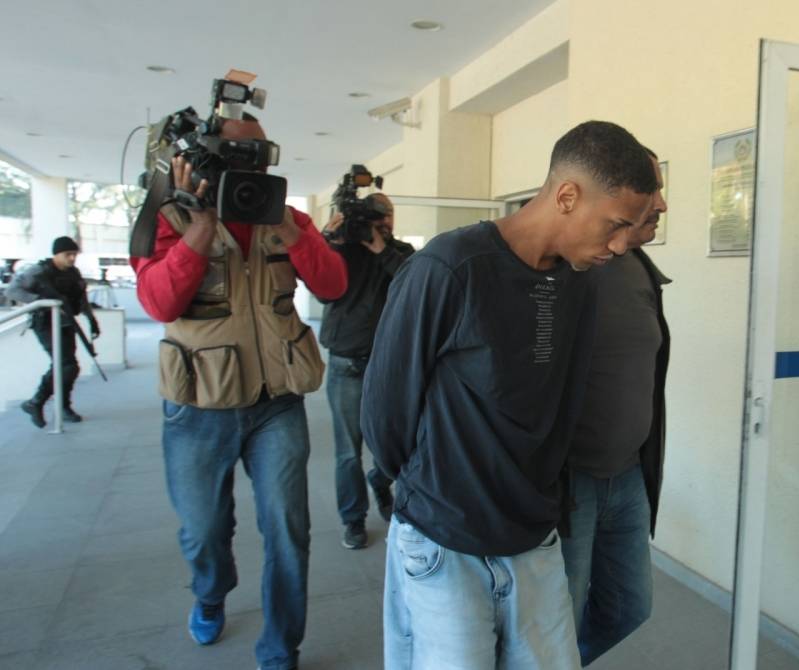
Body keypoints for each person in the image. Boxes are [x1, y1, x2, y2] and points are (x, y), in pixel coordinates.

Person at [362, 120, 659, 670]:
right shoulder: (449, 267)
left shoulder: (578, 280)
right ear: (567, 196)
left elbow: (562, 400)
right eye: (616, 224)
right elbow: (386, 417)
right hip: (446, 537)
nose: (621, 245)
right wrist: (441, 495)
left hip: (535, 534)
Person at [131, 115, 347, 670]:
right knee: (203, 530)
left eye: (257, 153)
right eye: (233, 152)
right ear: (207, 154)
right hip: (198, 405)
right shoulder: (168, 217)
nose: (247, 165)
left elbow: (333, 285)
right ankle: (211, 592)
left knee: (288, 529)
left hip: (277, 402)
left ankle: (280, 647)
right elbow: (159, 302)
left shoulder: (287, 217)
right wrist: (201, 226)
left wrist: (292, 230)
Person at [561, 149, 671, 665]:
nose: (662, 204)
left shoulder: (639, 269)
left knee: (629, 608)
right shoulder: (562, 267)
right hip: (569, 483)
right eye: (652, 189)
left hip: (628, 478)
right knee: (555, 620)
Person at [319, 193, 414, 550]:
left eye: (387, 214)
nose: (383, 221)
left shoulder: (401, 253)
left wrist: (381, 250)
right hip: (345, 362)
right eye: (376, 215)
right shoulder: (341, 250)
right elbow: (322, 288)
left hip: (388, 364)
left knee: (396, 442)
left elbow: (415, 285)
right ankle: (353, 519)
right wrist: (328, 242)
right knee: (348, 451)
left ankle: (380, 481)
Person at [6, 236, 99, 427]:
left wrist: (92, 320)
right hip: (45, 323)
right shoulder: (39, 271)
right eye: (68, 254)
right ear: (56, 254)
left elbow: (81, 298)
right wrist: (40, 300)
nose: (72, 258)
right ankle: (37, 402)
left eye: (74, 254)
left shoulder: (73, 273)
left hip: (66, 322)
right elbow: (12, 291)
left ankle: (60, 405)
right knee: (66, 365)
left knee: (70, 367)